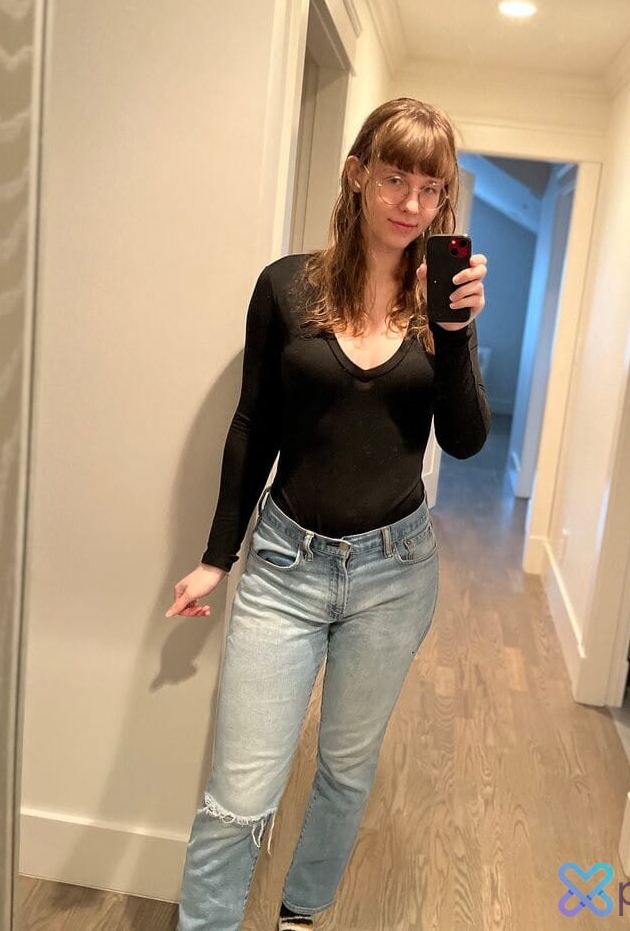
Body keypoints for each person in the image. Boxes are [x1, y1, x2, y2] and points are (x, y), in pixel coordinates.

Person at [167, 97, 491, 930]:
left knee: (346, 769)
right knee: (241, 791)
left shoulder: (440, 299)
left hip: (395, 573)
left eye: (431, 187)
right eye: (394, 178)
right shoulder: (286, 286)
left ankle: (300, 915)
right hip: (284, 567)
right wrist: (217, 556)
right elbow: (254, 423)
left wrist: (455, 334)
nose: (412, 203)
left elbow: (464, 442)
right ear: (356, 175)